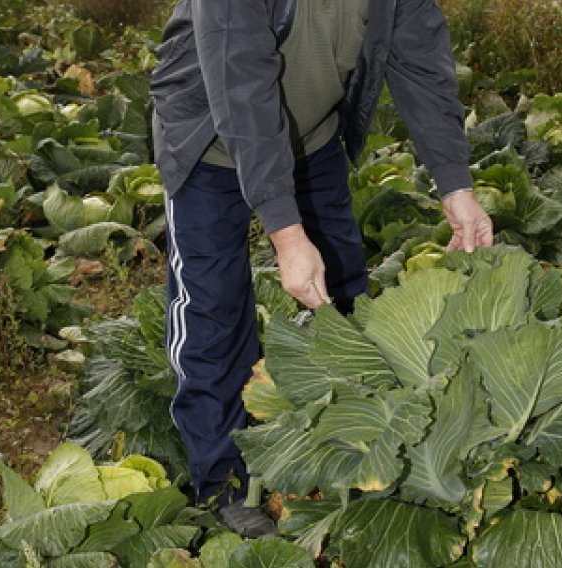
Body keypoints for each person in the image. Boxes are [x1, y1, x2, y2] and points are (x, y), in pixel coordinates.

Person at [150, 0, 492, 535]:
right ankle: (223, 481)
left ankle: (346, 443)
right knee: (213, 307)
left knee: (341, 292)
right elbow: (240, 83)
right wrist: (285, 232)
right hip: (207, 145)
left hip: (311, 139)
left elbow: (421, 63)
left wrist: (455, 184)